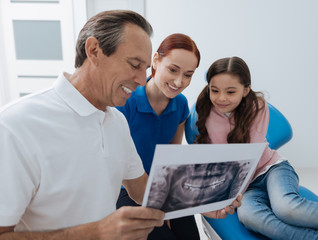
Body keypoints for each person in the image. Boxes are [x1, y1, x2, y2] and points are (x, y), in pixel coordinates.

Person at [0, 10, 241, 240]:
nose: (140, 80)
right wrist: (95, 233)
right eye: (134, 64)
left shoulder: (116, 122)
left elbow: (142, 189)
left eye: (145, 69)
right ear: (94, 50)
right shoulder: (15, 126)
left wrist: (203, 204)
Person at [195, 56, 318, 240]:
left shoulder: (257, 107)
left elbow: (251, 155)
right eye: (214, 90)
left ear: (246, 90)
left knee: (286, 207)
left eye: (230, 92)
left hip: (271, 169)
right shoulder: (205, 114)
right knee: (250, 216)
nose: (221, 98)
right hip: (246, 187)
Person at [116, 33, 201, 239]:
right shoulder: (126, 101)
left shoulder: (180, 104)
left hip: (162, 186)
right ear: (155, 60)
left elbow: (172, 157)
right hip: (126, 188)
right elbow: (117, 164)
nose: (179, 81)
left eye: (188, 75)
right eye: (173, 70)